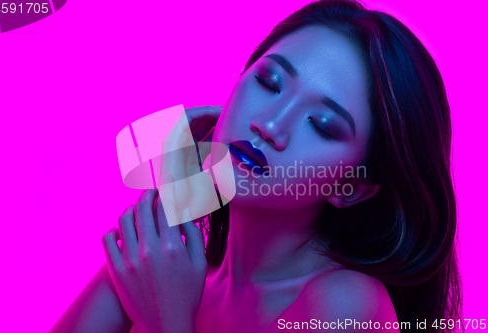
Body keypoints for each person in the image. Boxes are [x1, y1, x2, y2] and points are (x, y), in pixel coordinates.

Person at [48, 0, 462, 332]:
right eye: (268, 83)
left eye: (321, 125)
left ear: (351, 186)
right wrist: (171, 211)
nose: (269, 125)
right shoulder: (181, 279)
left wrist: (165, 323)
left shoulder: (344, 304)